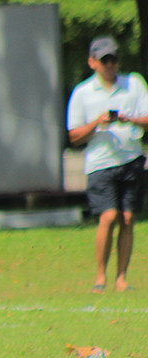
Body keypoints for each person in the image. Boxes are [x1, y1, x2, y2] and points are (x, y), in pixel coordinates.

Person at [66, 36, 148, 294]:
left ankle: (121, 278)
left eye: (113, 59)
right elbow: (74, 135)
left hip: (131, 159)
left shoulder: (133, 84)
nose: (110, 64)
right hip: (100, 164)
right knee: (109, 216)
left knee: (127, 217)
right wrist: (97, 123)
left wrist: (129, 120)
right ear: (92, 62)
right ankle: (100, 276)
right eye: (104, 60)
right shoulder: (83, 92)